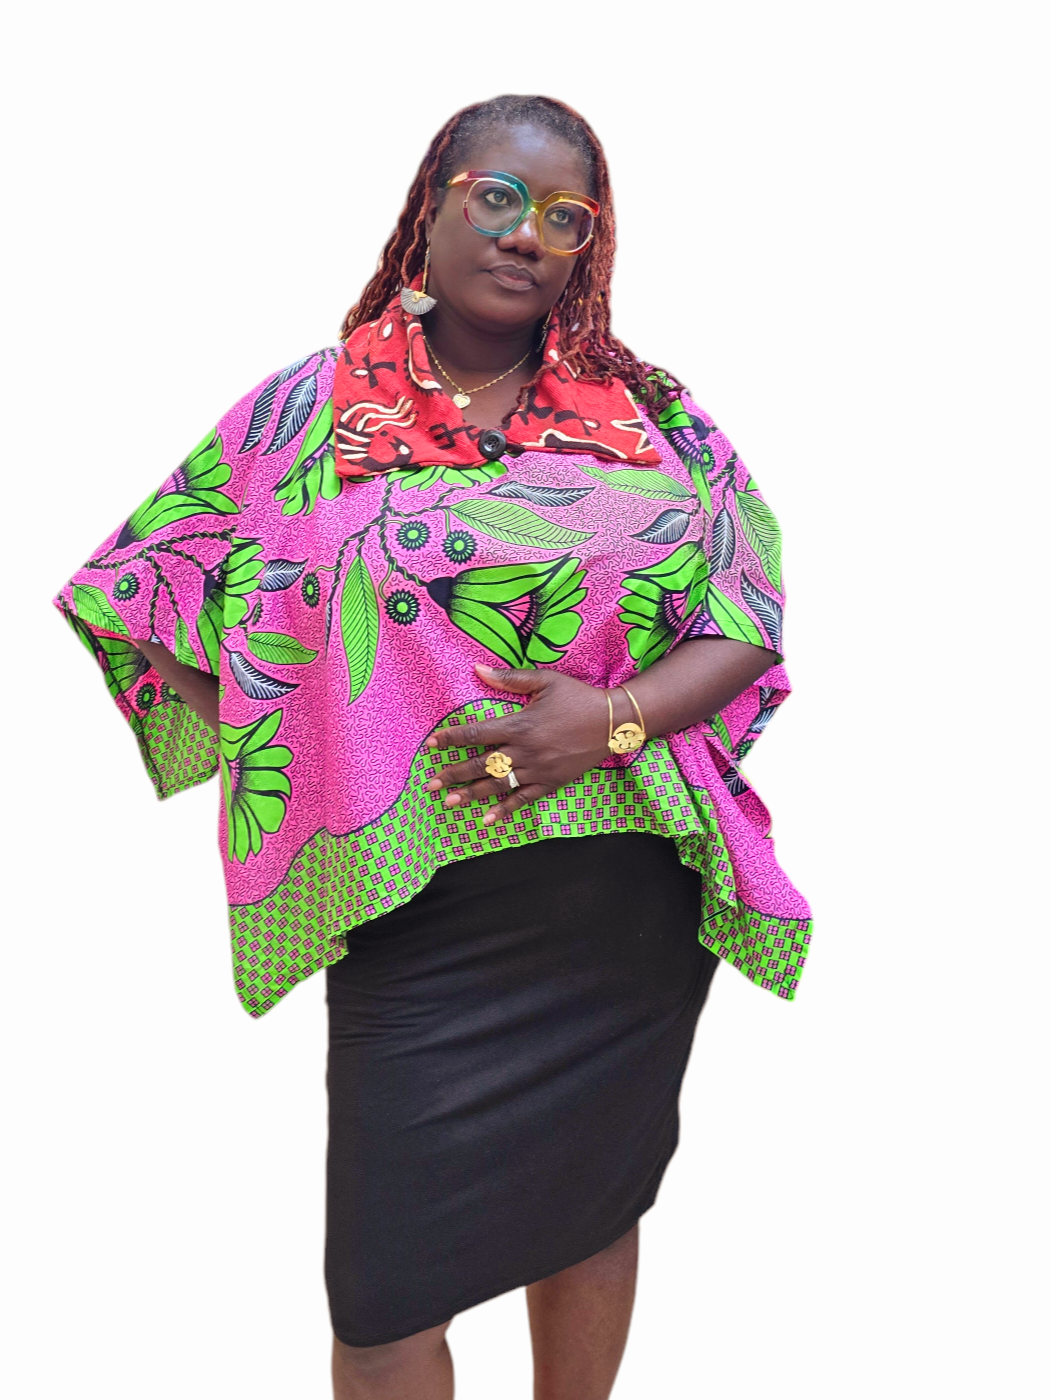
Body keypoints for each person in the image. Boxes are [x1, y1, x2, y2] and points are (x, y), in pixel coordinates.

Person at [55, 94, 811, 1400]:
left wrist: (605, 720)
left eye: (564, 217)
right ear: (434, 205)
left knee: (591, 1205)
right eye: (497, 196)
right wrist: (308, 723)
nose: (525, 234)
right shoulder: (307, 413)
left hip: (616, 901)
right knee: (382, 1298)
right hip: (413, 904)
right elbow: (140, 585)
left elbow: (744, 617)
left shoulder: (652, 418)